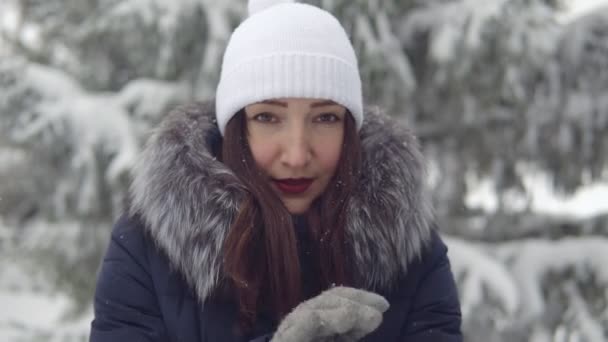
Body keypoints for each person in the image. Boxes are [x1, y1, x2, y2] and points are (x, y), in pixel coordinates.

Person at [89, 0, 462, 341]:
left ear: (349, 129)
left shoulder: (411, 250)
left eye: (326, 118)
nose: (297, 154)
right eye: (267, 117)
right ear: (235, 128)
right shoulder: (148, 247)